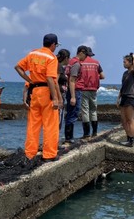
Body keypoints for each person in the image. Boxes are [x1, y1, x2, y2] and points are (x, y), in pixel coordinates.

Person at [15, 33, 62, 161]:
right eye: (56, 45)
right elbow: (50, 79)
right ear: (53, 45)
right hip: (46, 91)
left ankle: (29, 153)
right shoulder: (51, 57)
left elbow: (18, 67)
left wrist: (28, 80)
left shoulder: (32, 54)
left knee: (33, 125)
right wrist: (56, 98)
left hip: (34, 92)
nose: (55, 48)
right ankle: (49, 154)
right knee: (50, 125)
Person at [78, 46, 105, 138]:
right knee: (93, 110)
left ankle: (86, 134)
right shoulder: (96, 63)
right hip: (94, 89)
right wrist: (95, 76)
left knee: (85, 111)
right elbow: (103, 76)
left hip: (83, 89)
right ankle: (95, 132)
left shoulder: (81, 63)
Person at [63, 45, 87, 144]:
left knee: (70, 113)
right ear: (81, 52)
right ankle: (69, 137)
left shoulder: (70, 62)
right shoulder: (76, 64)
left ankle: (68, 137)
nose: (86, 57)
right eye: (85, 55)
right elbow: (72, 80)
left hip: (71, 90)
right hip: (75, 91)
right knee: (73, 113)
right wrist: (73, 96)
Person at [117, 52, 134, 147]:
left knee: (130, 120)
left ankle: (131, 140)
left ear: (130, 63)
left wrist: (133, 55)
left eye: (125, 62)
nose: (123, 64)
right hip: (124, 97)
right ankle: (128, 138)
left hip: (131, 97)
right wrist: (118, 98)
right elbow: (123, 87)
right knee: (123, 119)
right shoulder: (125, 73)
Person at [56, 48, 70, 130]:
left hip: (59, 94)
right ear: (66, 58)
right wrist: (59, 98)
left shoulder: (57, 65)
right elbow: (55, 82)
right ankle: (54, 139)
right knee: (58, 118)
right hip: (59, 94)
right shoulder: (59, 66)